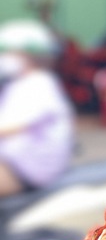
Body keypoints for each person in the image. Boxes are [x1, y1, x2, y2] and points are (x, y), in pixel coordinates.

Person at [0, 19, 75, 197]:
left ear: (27, 55)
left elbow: (8, 127)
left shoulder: (40, 85)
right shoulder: (17, 84)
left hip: (26, 169)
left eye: (7, 53)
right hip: (13, 162)